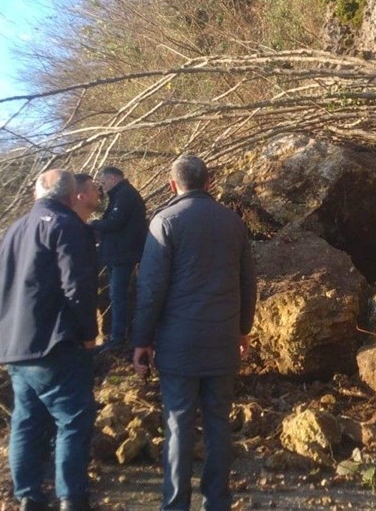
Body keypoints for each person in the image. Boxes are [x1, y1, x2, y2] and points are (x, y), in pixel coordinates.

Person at [133, 154, 257, 511]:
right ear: (210, 182)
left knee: (178, 423)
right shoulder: (233, 223)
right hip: (221, 342)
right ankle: (217, 502)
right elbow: (248, 282)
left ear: (174, 185)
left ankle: (175, 504)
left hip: (178, 344)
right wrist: (243, 330)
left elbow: (151, 288)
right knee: (218, 422)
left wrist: (142, 340)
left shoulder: (165, 221)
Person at [0, 169, 99, 511]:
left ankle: (28, 497)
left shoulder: (13, 231)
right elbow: (78, 287)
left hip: (15, 345)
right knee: (72, 419)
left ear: (35, 193)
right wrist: (88, 334)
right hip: (55, 343)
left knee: (25, 422)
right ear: (71, 197)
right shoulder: (66, 226)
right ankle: (71, 498)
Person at [90, 166, 148, 348]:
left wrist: (94, 224)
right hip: (120, 253)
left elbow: (115, 222)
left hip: (123, 254)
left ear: (114, 179)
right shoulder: (121, 194)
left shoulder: (124, 195)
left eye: (104, 182)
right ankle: (117, 335)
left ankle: (118, 337)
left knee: (118, 295)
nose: (103, 186)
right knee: (117, 295)